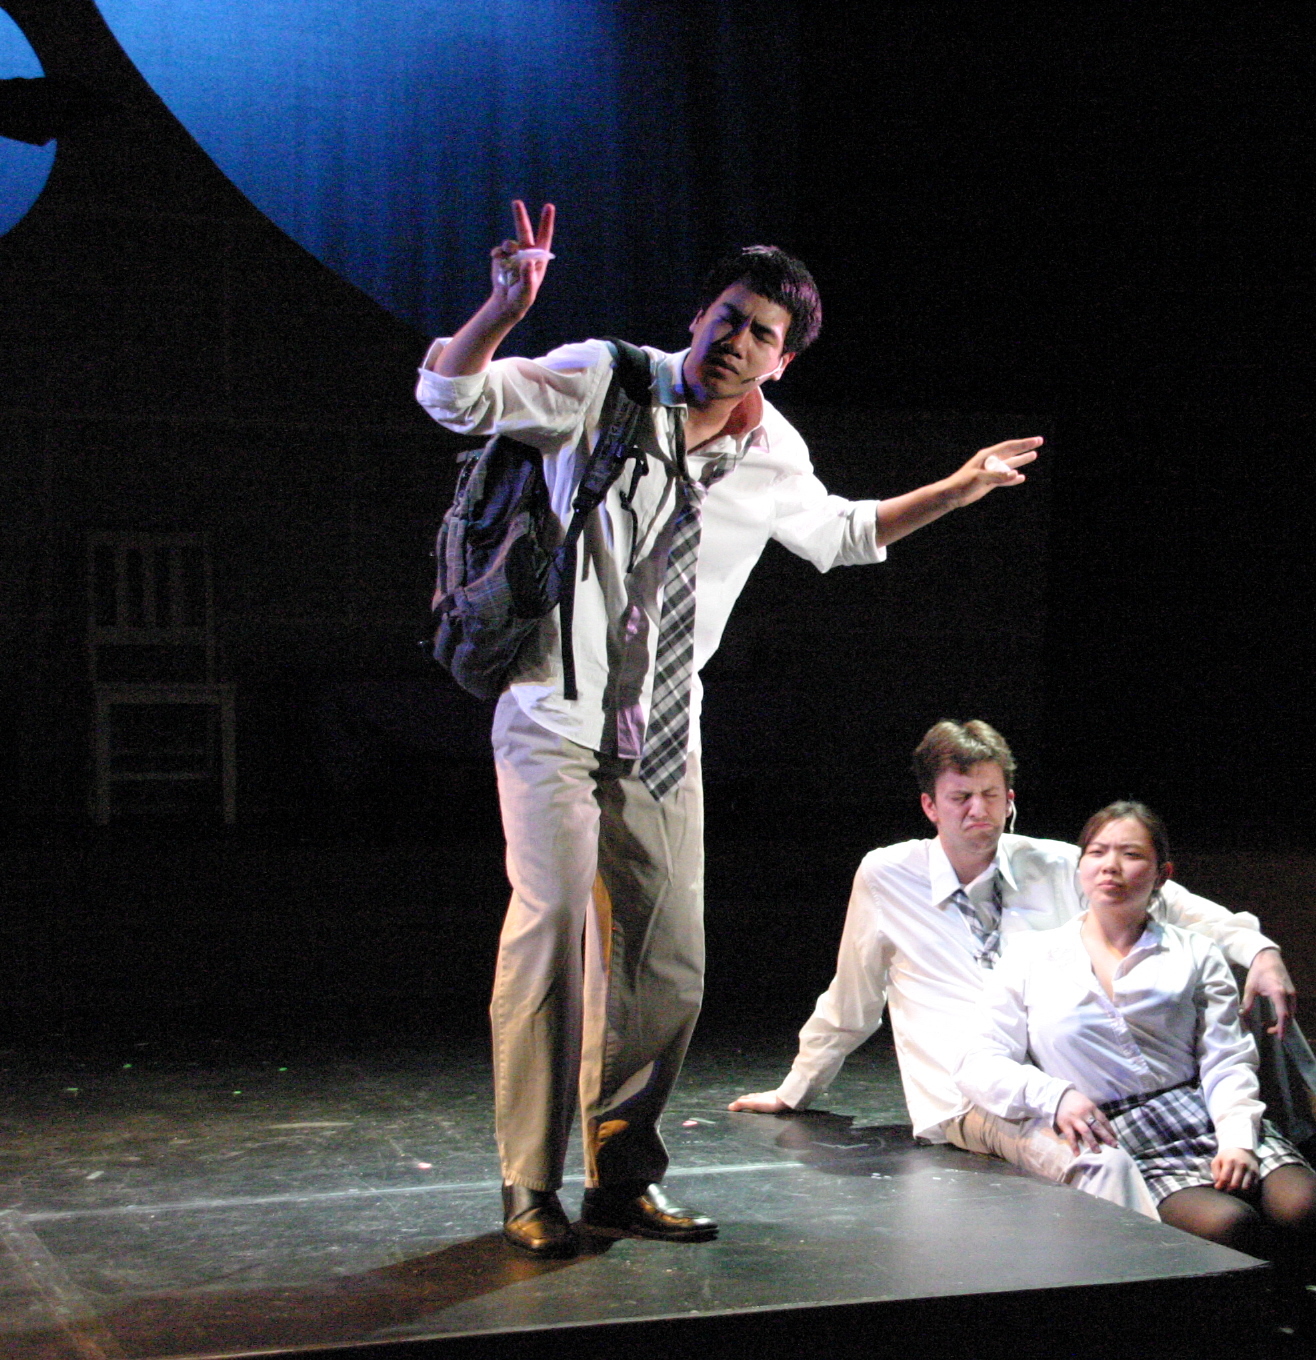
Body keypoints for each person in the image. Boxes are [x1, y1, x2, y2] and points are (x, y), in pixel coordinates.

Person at [415, 203, 1042, 1258]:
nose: (736, 341)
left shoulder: (772, 450)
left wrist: (959, 487)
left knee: (667, 962)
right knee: (552, 928)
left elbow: (841, 533)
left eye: (762, 333)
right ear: (697, 317)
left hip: (664, 730)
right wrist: (503, 310)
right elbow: (453, 396)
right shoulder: (604, 379)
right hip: (554, 708)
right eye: (727, 318)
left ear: (783, 359)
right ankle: (530, 1184)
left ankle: (621, 1175)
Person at [728, 721, 1316, 1217]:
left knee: (1243, 991)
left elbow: (1176, 906)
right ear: (930, 806)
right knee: (1100, 1161)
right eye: (961, 797)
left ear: (1010, 799)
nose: (979, 810)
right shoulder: (888, 876)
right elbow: (852, 999)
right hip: (973, 1095)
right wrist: (796, 1088)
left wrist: (1260, 950)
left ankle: (1303, 1161)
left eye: (991, 795)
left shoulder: (1056, 862)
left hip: (1069, 1072)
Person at [954, 801, 1316, 1342]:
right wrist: (1054, 1096)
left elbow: (1226, 1058)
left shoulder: (1193, 952)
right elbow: (977, 1061)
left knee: (1308, 1206)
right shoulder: (1032, 957)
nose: (1111, 867)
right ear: (1080, 867)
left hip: (1202, 1112)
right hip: (1122, 1133)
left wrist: (1238, 1139)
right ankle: (1308, 1311)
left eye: (1131, 855)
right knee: (1229, 1225)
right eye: (1097, 853)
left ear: (1161, 874)